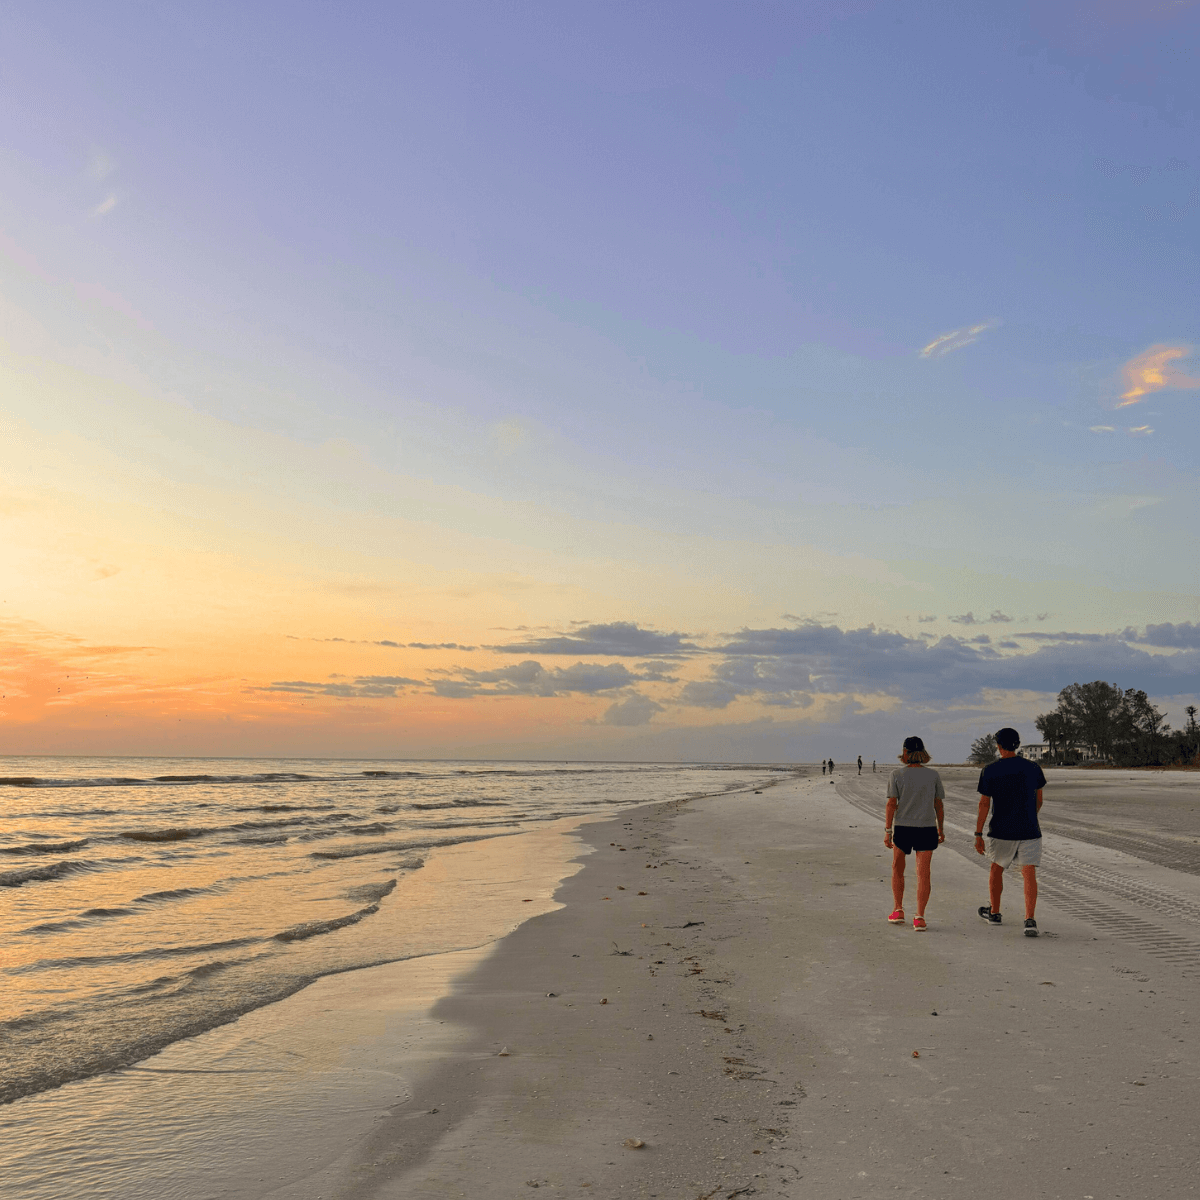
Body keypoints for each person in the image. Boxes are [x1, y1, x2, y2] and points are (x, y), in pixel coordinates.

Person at [975, 727, 1045, 936]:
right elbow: (1039, 799)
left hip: (1001, 829)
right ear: (1017, 745)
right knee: (1029, 872)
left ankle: (995, 912)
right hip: (1029, 828)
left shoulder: (990, 770)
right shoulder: (1033, 768)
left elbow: (984, 804)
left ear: (998, 746)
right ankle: (1030, 919)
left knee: (997, 869)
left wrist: (978, 833)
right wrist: (1030, 816)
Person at [884, 736, 945, 931]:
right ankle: (919, 917)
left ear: (905, 753)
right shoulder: (933, 775)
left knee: (897, 869)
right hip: (927, 828)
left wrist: (887, 830)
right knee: (923, 873)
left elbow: (892, 803)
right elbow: (938, 804)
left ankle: (898, 909)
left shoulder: (896, 774)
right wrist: (941, 829)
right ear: (923, 753)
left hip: (903, 827)